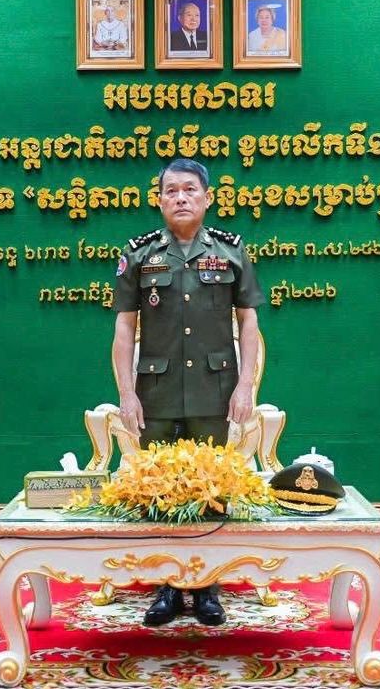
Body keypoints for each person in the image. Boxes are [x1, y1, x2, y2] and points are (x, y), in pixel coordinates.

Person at [113, 158, 263, 626]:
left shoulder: (231, 251)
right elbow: (124, 328)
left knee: (211, 487)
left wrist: (245, 385)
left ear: (207, 197)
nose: (180, 197)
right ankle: (168, 586)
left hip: (214, 389)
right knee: (159, 488)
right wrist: (126, 393)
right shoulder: (139, 254)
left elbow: (249, 323)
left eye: (190, 190)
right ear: (159, 199)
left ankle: (208, 586)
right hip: (155, 390)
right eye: (171, 190)